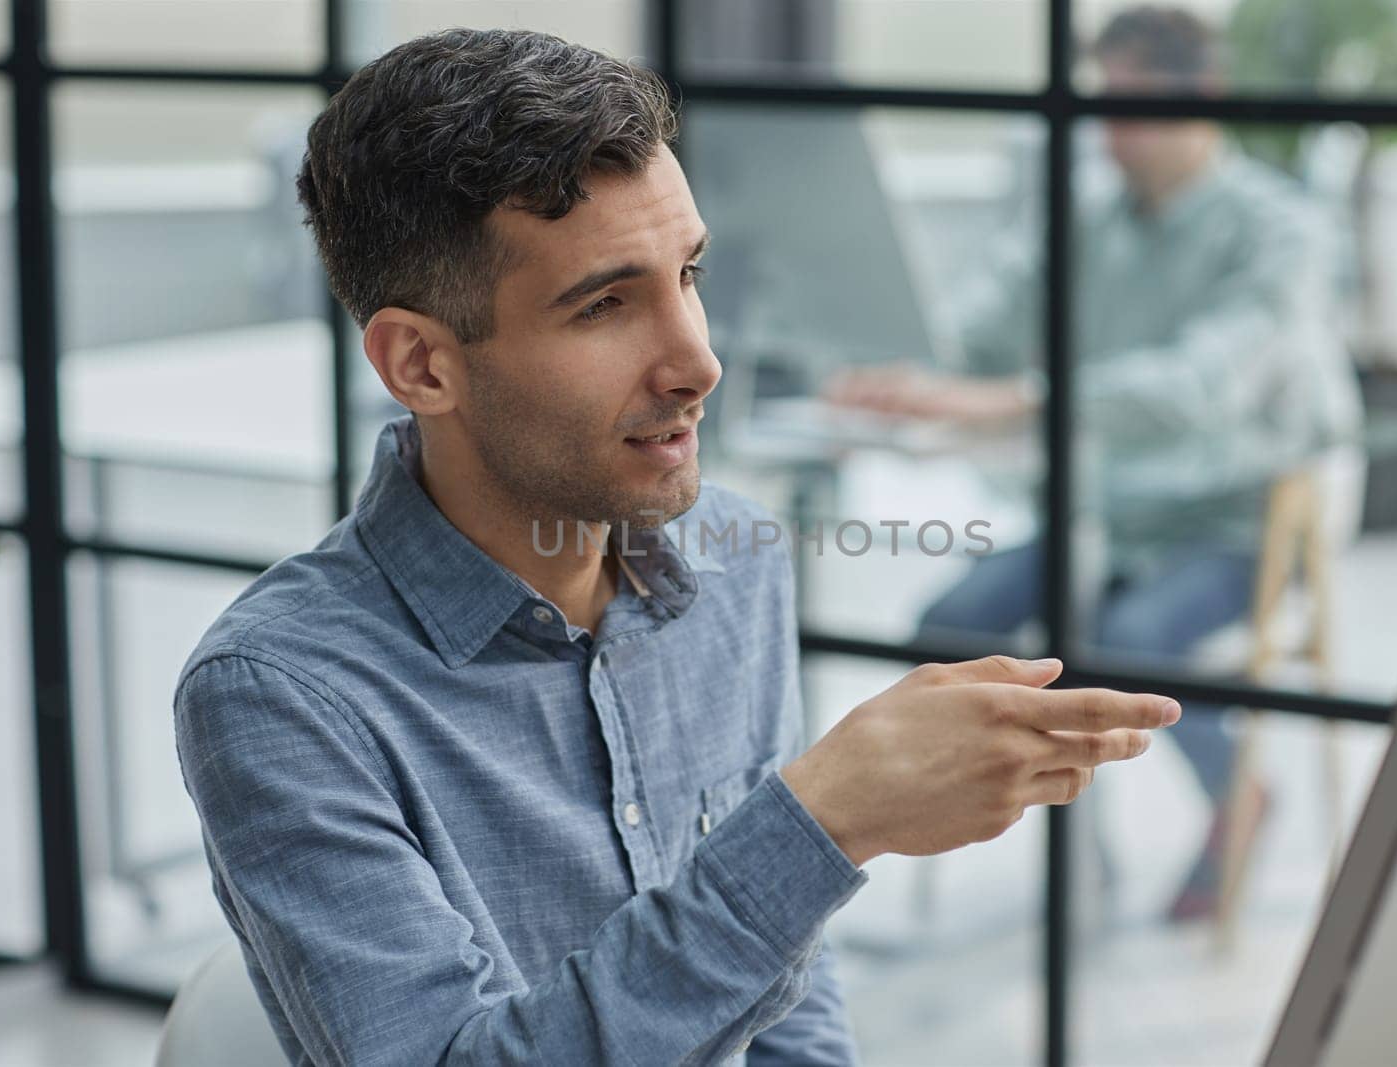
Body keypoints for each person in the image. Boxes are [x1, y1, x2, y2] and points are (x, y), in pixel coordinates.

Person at [172, 28, 1184, 1065]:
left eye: (689, 273)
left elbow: (792, 991)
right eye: (604, 304)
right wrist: (818, 825)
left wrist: (804, 850)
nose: (699, 359)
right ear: (422, 364)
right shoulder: (281, 692)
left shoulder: (733, 559)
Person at [824, 6, 1364, 921]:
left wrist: (1015, 398)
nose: (1110, 127)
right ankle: (1066, 830)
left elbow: (1198, 386)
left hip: (1242, 519)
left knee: (1123, 641)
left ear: (1206, 100)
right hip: (1108, 512)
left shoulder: (1283, 233)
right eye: (1101, 102)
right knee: (948, 622)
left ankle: (1243, 795)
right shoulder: (1085, 214)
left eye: (1132, 105)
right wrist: (908, 371)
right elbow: (983, 324)